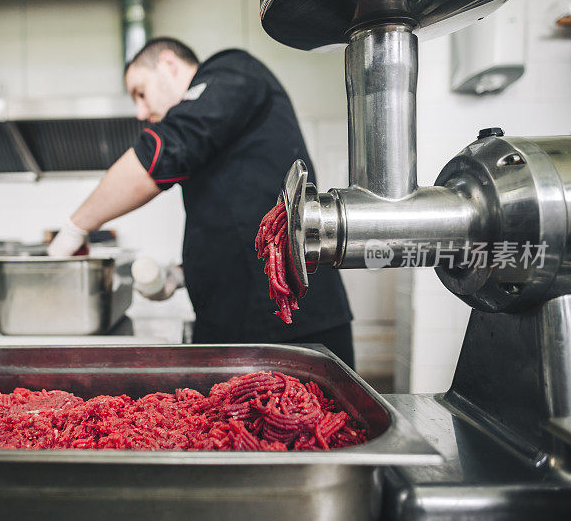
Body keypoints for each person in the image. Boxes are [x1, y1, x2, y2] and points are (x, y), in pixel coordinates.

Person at [48, 37, 355, 368]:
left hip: (291, 327)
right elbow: (231, 219)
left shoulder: (233, 71)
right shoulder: (216, 127)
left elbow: (166, 151)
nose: (141, 111)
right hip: (234, 328)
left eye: (140, 92)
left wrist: (75, 227)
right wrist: (180, 275)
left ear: (169, 64)